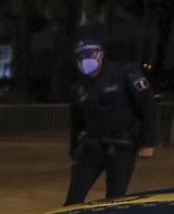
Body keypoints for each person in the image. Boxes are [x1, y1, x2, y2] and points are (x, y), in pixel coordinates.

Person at [65, 40, 157, 205]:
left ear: (100, 55)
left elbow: (147, 105)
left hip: (123, 145)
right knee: (73, 198)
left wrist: (148, 142)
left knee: (114, 199)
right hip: (92, 146)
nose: (86, 61)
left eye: (90, 56)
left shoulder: (125, 72)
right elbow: (76, 121)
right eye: (81, 58)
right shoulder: (78, 87)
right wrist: (73, 150)